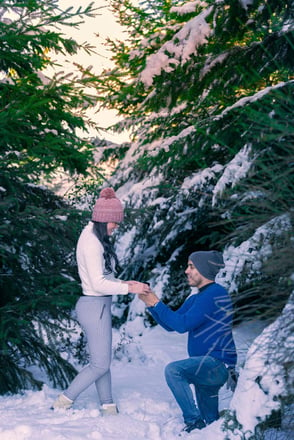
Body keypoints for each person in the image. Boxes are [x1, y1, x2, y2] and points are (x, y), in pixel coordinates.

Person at [52, 187, 150, 414]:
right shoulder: (91, 243)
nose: (116, 227)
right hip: (93, 305)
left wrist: (128, 284)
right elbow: (97, 284)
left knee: (101, 359)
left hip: (99, 305)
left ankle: (108, 405)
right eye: (114, 223)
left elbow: (105, 278)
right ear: (103, 219)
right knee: (100, 363)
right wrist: (129, 288)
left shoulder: (94, 237)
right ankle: (63, 401)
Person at [139, 250, 237, 434]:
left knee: (174, 370)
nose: (186, 271)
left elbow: (182, 325)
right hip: (204, 368)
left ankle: (193, 421)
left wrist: (156, 302)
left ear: (204, 269)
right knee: (212, 424)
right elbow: (172, 324)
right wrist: (151, 303)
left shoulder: (215, 293)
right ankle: (211, 425)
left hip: (215, 364)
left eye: (191, 266)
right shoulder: (197, 297)